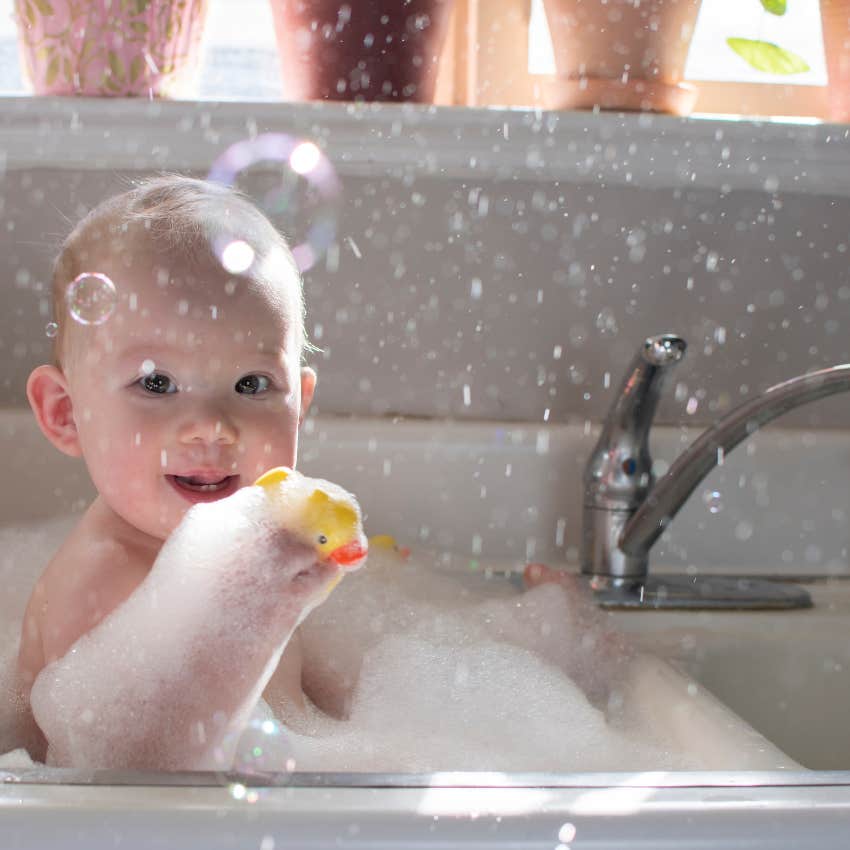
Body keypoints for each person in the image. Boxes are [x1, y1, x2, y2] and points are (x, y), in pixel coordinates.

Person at [14, 175, 324, 766]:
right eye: (157, 384)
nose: (210, 425)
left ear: (300, 405)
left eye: (251, 384)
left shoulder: (252, 542)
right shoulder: (105, 585)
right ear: (65, 414)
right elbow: (140, 782)